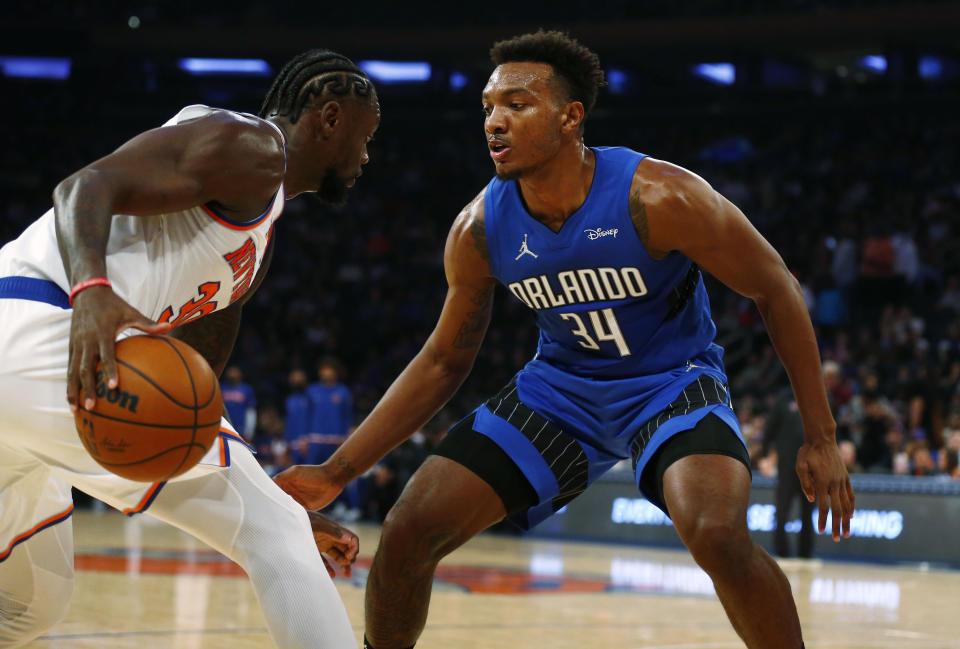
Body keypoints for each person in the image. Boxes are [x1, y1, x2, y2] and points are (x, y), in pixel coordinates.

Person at [276, 31, 854, 649]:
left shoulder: (659, 196)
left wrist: (820, 437)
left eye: (517, 105)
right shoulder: (479, 227)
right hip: (559, 394)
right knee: (409, 529)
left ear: (571, 116)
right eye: (488, 108)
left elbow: (778, 289)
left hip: (671, 386)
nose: (494, 122)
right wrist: (339, 470)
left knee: (715, 532)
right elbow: (444, 360)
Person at [0, 49, 379, 648]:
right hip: (52, 331)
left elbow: (198, 390)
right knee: (272, 536)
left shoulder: (254, 246)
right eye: (366, 136)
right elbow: (83, 187)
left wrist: (261, 492)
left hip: (26, 377)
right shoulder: (250, 146)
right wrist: (93, 289)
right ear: (330, 117)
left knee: (28, 606)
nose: (366, 156)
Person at [762, 388, 815, 559]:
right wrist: (764, 456)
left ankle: (805, 553)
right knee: (782, 511)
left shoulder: (818, 397)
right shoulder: (783, 399)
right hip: (787, 466)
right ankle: (781, 551)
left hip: (811, 468)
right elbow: (769, 429)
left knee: (808, 513)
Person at [221, 365, 258, 439]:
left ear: (240, 374)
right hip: (224, 426)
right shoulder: (221, 387)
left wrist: (249, 431)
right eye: (230, 372)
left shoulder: (246, 389)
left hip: (240, 427)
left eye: (235, 372)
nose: (232, 374)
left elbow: (250, 411)